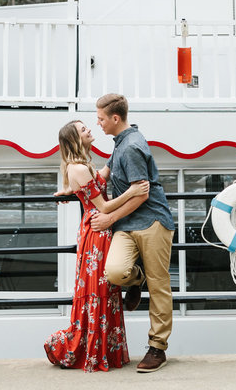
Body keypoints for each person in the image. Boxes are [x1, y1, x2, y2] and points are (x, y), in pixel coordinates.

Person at [45, 119, 149, 372]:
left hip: (100, 229)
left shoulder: (83, 166)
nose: (89, 129)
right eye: (83, 130)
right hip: (96, 232)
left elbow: (104, 173)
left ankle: (104, 352)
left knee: (106, 288)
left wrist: (67, 192)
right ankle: (92, 351)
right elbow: (102, 206)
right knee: (99, 288)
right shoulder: (78, 168)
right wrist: (133, 192)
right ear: (75, 139)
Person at [89, 93, 175, 374]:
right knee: (114, 271)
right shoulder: (121, 143)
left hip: (151, 221)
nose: (98, 123)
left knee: (159, 285)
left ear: (115, 118)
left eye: (101, 118)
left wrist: (109, 217)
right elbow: (101, 176)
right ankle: (137, 279)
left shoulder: (131, 148)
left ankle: (157, 348)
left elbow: (141, 194)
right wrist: (73, 190)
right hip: (126, 225)